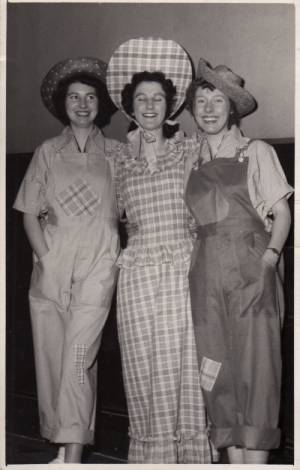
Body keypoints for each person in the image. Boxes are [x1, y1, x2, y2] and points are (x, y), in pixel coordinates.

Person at [105, 38, 216, 464]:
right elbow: (106, 213)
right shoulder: (116, 158)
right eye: (141, 99)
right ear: (130, 106)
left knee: (186, 362)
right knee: (141, 364)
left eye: (158, 98)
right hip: (137, 275)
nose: (149, 105)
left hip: (182, 269)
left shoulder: (188, 148)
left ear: (170, 105)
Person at [184, 58, 294, 464]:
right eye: (201, 100)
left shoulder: (256, 152)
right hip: (205, 280)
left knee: (258, 374)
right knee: (216, 376)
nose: (209, 108)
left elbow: (282, 214)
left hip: (252, 273)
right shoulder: (190, 163)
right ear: (192, 110)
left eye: (218, 100)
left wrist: (268, 260)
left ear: (232, 108)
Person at [13, 57, 120, 463]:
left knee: (79, 355)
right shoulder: (46, 151)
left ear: (101, 104)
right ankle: (63, 446)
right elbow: (28, 213)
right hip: (52, 269)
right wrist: (46, 257)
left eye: (90, 97)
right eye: (74, 97)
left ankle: (73, 455)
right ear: (63, 103)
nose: (82, 104)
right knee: (55, 357)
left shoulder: (116, 153)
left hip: (98, 268)